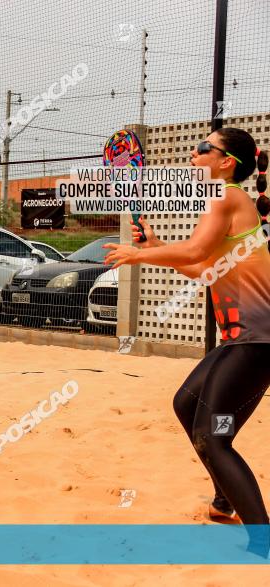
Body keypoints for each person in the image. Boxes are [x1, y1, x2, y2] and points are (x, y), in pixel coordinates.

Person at [104, 128, 270, 556]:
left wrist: (139, 254)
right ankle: (224, 499)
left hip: (256, 338)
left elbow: (195, 252)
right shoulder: (230, 203)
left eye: (203, 149)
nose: (193, 154)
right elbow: (207, 269)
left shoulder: (227, 196)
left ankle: (261, 538)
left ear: (225, 161)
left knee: (214, 436)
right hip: (245, 341)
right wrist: (158, 245)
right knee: (187, 406)